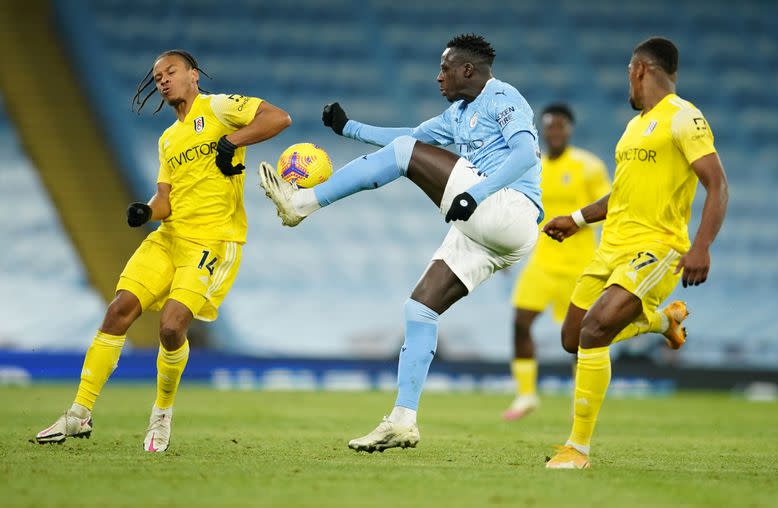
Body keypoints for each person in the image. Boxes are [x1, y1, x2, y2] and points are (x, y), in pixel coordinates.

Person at [259, 34, 543, 452]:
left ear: (468, 69)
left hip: (508, 209)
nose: (439, 76)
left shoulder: (504, 98)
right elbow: (407, 137)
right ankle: (402, 420)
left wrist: (476, 195)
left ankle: (301, 203)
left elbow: (524, 155)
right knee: (420, 309)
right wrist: (348, 127)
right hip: (486, 230)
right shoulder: (459, 111)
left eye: (445, 68)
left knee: (408, 153)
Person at [35, 50, 291, 452]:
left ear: (192, 74)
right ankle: (78, 413)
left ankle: (161, 414)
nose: (163, 81)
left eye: (170, 72)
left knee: (171, 327)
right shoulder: (168, 139)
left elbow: (278, 118)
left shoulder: (220, 106)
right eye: (157, 78)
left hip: (212, 241)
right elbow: (164, 200)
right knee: (118, 309)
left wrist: (232, 141)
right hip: (168, 238)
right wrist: (145, 210)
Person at [543, 37, 728, 469]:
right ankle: (665, 320)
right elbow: (621, 196)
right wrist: (576, 219)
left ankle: (578, 449)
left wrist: (701, 245)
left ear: (640, 69)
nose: (627, 79)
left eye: (628, 71)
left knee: (594, 331)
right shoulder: (632, 128)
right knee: (573, 339)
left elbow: (717, 184)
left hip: (656, 248)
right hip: (611, 248)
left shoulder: (685, 118)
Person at [504, 103, 610, 421]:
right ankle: (526, 395)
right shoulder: (532, 167)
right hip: (543, 262)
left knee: (579, 339)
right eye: (549, 126)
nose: (555, 131)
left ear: (569, 129)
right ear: (542, 130)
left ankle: (583, 402)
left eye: (560, 126)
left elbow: (610, 206)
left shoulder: (588, 166)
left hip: (580, 264)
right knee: (520, 323)